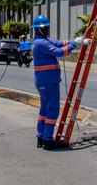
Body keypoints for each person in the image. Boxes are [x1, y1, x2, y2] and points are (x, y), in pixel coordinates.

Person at [31, 14, 86, 150]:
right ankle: (48, 140)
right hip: (48, 81)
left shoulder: (43, 40)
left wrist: (76, 41)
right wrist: (75, 44)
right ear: (40, 29)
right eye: (46, 27)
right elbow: (59, 51)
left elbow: (59, 43)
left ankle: (41, 137)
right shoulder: (41, 43)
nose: (48, 29)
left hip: (45, 81)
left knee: (44, 109)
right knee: (52, 110)